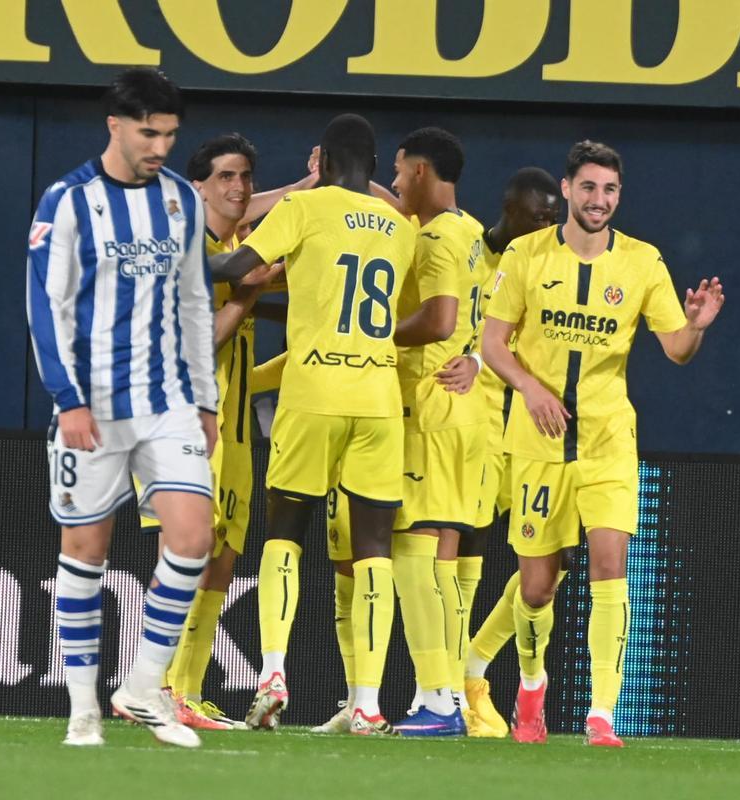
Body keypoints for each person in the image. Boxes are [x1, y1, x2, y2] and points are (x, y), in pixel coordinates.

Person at [26, 68, 271, 749]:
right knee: (85, 551)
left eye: (168, 133)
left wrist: (204, 397)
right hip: (95, 405)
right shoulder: (69, 202)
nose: (160, 145)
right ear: (115, 126)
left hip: (167, 402)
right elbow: (42, 306)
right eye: (148, 132)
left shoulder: (179, 204)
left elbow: (196, 304)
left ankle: (141, 686)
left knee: (194, 537)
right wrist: (67, 399)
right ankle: (82, 710)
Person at [483, 140, 723, 746]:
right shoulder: (525, 254)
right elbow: (492, 344)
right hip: (538, 442)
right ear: (566, 190)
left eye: (610, 190)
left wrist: (694, 326)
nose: (600, 200)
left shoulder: (643, 262)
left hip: (609, 440)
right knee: (537, 586)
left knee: (610, 567)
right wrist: (531, 390)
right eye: (588, 188)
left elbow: (675, 350)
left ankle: (602, 713)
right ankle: (531, 690)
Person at [208, 113, 416, 736]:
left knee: (285, 534)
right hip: (378, 398)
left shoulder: (306, 209)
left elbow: (235, 268)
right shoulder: (402, 231)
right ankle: (370, 702)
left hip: (313, 390)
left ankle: (273, 673)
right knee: (374, 548)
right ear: (376, 169)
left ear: (320, 160)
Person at [137, 133, 287, 731]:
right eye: (226, 176)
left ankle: (185, 690)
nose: (240, 187)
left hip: (234, 424)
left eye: (246, 176)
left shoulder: (234, 248)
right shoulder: (183, 245)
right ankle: (154, 685)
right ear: (197, 186)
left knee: (222, 558)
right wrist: (247, 298)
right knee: (183, 553)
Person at [385, 127, 487, 736]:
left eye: (399, 171)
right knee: (444, 558)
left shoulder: (436, 239)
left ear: (421, 170)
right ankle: (449, 693)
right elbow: (481, 317)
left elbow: (441, 317)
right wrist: (474, 355)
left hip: (428, 405)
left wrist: (375, 331)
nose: (396, 182)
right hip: (465, 411)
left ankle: (435, 699)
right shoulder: (473, 231)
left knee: (411, 551)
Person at [461, 167, 563, 738]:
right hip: (469, 429)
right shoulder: (465, 248)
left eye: (553, 218)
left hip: (528, 435)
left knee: (554, 564)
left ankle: (473, 665)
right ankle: (456, 692)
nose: (546, 226)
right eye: (538, 216)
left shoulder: (549, 266)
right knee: (461, 560)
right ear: (508, 206)